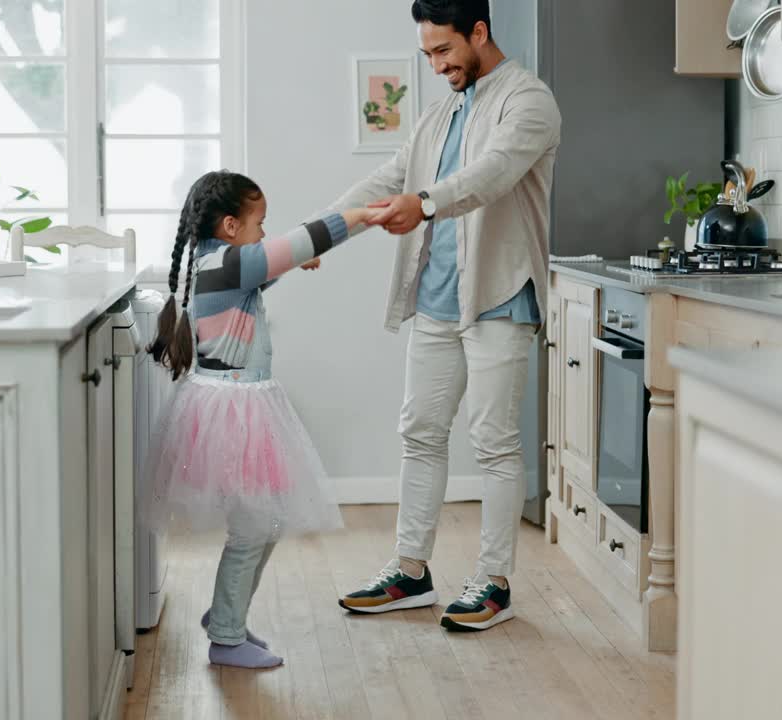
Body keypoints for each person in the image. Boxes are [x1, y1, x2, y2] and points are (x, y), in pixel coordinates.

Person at [327, 0, 562, 632]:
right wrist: (322, 233)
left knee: (493, 443)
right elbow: (390, 176)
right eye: (427, 53)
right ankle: (410, 571)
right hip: (436, 297)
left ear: (479, 32)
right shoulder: (440, 113)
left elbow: (490, 176)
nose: (435, 65)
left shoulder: (529, 101)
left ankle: (493, 582)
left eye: (443, 51)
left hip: (498, 295)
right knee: (420, 433)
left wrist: (425, 203)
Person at [145, 170, 379, 667]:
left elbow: (269, 265)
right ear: (231, 226)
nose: (263, 234)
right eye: (258, 225)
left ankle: (225, 616)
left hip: (241, 406)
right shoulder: (230, 263)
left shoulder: (219, 262)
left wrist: (294, 262)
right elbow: (288, 248)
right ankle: (226, 638)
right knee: (253, 527)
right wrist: (357, 217)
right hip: (235, 412)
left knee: (263, 522)